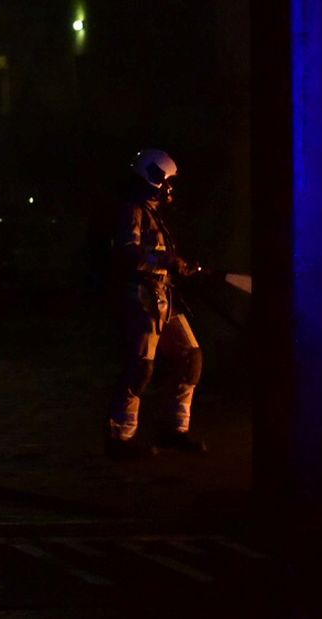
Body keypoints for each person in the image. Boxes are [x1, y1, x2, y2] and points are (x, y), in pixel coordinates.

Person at [106, 148, 207, 459]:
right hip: (142, 298)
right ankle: (120, 438)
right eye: (168, 182)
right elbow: (128, 254)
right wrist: (168, 262)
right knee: (140, 368)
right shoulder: (131, 211)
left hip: (164, 297)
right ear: (155, 179)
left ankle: (174, 430)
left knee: (190, 357)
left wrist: (175, 266)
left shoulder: (153, 214)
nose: (170, 189)